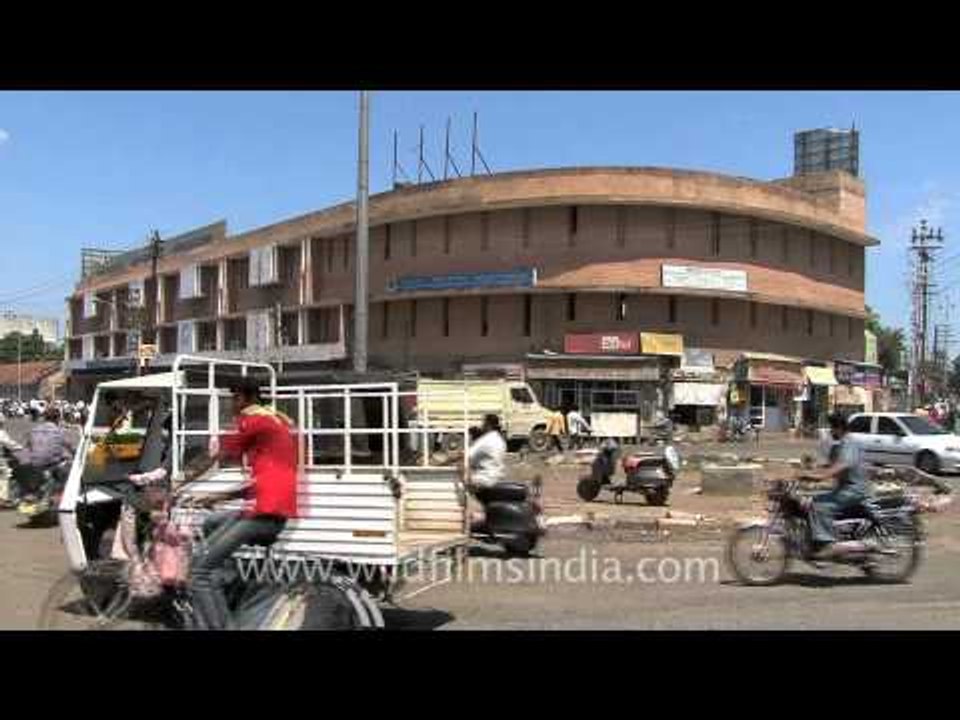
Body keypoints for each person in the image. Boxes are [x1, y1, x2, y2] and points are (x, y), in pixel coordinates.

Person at [183, 377, 299, 630]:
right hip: (267, 509)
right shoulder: (272, 421)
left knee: (196, 574)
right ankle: (227, 587)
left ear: (245, 398)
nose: (231, 404)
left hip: (263, 515)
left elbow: (214, 457)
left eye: (234, 398)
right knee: (211, 522)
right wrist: (218, 497)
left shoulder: (254, 420)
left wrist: (176, 484)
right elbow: (264, 482)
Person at [805, 411, 868, 557]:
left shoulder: (849, 442)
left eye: (831, 428)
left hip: (854, 489)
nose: (830, 431)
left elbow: (842, 465)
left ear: (839, 427)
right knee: (812, 499)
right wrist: (809, 471)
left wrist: (821, 477)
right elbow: (830, 464)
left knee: (819, 505)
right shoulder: (841, 444)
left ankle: (827, 543)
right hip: (845, 488)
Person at [467, 413, 507, 489]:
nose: (481, 426)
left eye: (483, 423)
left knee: (462, 477)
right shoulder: (500, 439)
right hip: (497, 477)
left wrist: (443, 463)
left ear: (488, 425)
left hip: (485, 479)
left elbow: (465, 455)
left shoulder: (486, 440)